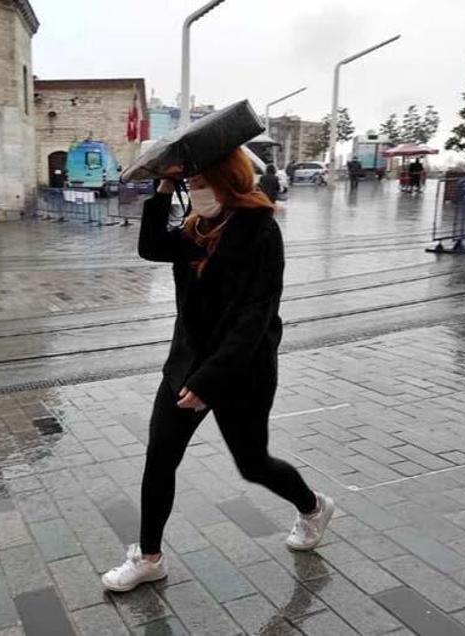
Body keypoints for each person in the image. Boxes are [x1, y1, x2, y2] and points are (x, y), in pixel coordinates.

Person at [101, 148, 334, 593]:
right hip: (186, 362)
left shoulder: (260, 233)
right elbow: (151, 246)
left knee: (253, 464)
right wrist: (165, 186)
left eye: (202, 183)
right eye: (191, 185)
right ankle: (149, 557)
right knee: (160, 457)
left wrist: (210, 381)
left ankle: (312, 506)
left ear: (230, 182)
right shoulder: (195, 229)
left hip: (242, 370)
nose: (196, 191)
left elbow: (255, 318)